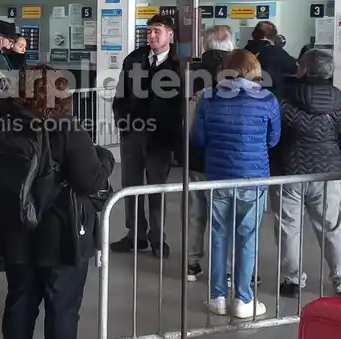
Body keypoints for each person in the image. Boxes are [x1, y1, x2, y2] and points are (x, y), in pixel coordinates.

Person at [0, 65, 113, 339]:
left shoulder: (2, 124)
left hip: (16, 227)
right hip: (61, 229)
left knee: (20, 297)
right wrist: (105, 158)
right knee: (62, 302)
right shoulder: (67, 127)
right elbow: (90, 180)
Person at [191, 50, 280, 318]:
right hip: (253, 178)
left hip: (217, 176)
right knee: (248, 237)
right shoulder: (267, 99)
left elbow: (198, 138)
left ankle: (217, 296)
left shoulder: (208, 97)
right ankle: (243, 299)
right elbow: (273, 139)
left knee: (218, 235)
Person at [274, 49, 341, 298]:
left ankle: (292, 280)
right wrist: (337, 159)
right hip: (327, 175)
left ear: (306, 70)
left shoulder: (285, 101)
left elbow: (275, 138)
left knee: (289, 227)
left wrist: (279, 160)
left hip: (290, 173)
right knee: (331, 226)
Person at [111, 17, 184, 257]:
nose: (151, 36)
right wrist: (123, 122)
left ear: (170, 35)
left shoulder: (180, 65)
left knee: (156, 189)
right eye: (149, 31)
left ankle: (157, 237)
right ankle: (135, 235)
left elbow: (181, 105)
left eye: (157, 31)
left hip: (160, 138)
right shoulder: (134, 59)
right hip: (133, 133)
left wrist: (174, 136)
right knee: (130, 186)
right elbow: (121, 93)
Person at [184, 25, 236, 281]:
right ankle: (225, 270)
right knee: (224, 217)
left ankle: (192, 263)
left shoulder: (190, 71)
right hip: (225, 158)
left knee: (197, 212)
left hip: (196, 156)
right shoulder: (236, 73)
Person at [244, 20, 297, 90]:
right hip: (269, 95)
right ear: (273, 36)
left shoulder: (244, 50)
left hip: (248, 93)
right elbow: (293, 67)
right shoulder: (275, 50)